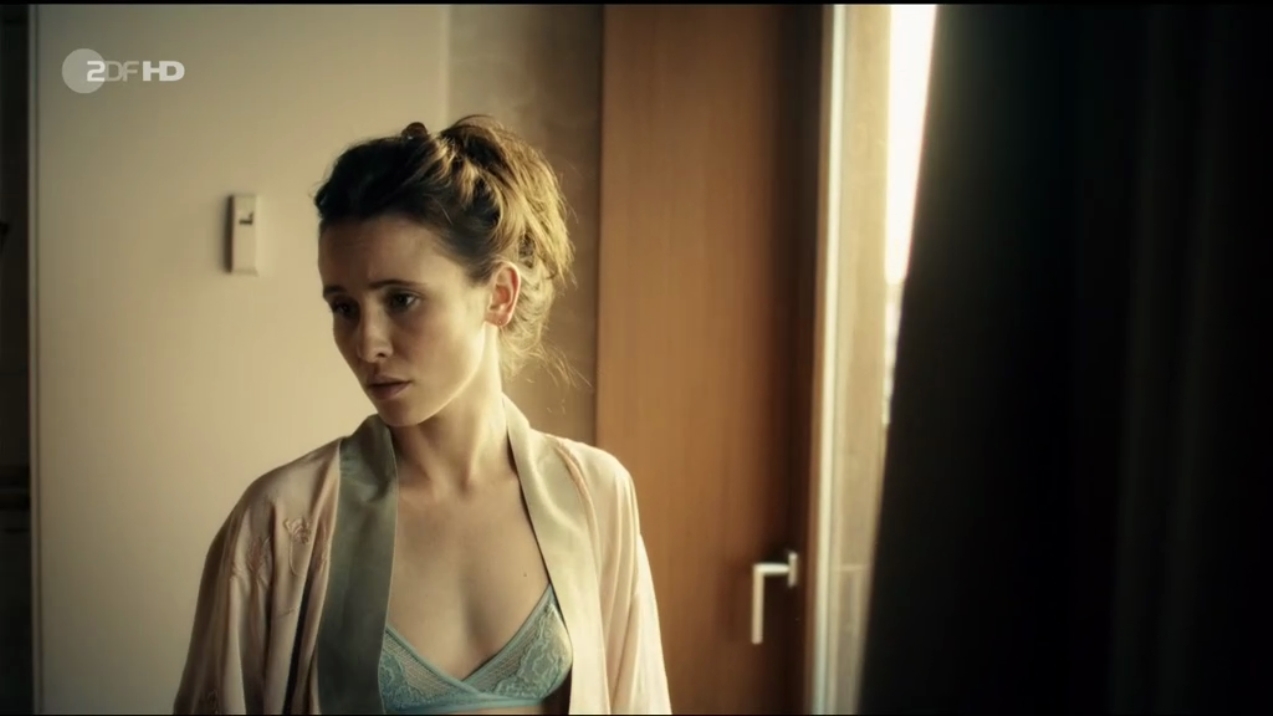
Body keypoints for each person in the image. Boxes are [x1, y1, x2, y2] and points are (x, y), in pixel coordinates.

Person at [173, 116, 672, 715]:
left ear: (499, 295)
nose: (367, 343)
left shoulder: (596, 495)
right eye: (344, 308)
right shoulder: (281, 522)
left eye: (401, 300)